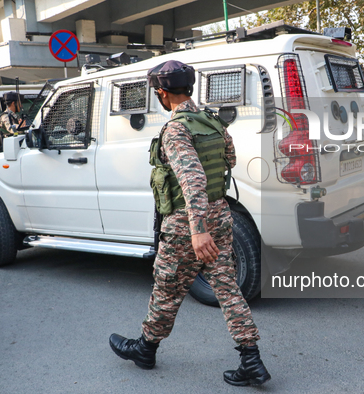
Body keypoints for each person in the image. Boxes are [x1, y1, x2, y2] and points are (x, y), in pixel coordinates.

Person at [109, 60, 270, 387]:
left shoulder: (177, 129)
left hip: (187, 224)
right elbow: (230, 159)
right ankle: (250, 359)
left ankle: (145, 348)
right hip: (220, 214)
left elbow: (193, 180)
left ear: (162, 93)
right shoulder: (212, 121)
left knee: (167, 285)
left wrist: (197, 231)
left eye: (158, 92)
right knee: (226, 285)